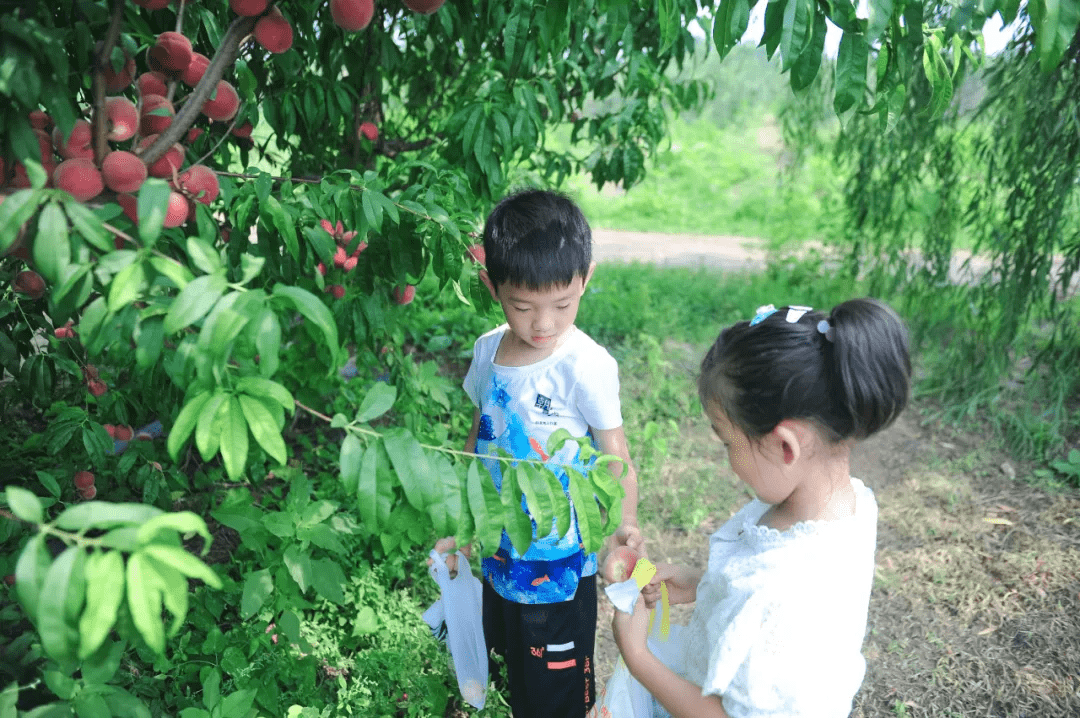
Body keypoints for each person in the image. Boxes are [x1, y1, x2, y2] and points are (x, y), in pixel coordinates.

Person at [608, 299, 911, 718]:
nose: (726, 458)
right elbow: (760, 598)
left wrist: (638, 656)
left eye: (727, 442)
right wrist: (706, 585)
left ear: (786, 446)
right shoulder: (850, 503)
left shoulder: (780, 594)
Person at [432, 188, 643, 718]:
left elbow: (615, 455)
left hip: (561, 559)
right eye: (523, 306)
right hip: (500, 546)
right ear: (492, 287)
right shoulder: (487, 352)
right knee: (509, 666)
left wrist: (624, 524)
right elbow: (479, 437)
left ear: (585, 279)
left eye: (563, 305)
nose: (543, 323)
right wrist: (462, 520)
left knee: (557, 690)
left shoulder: (585, 365)